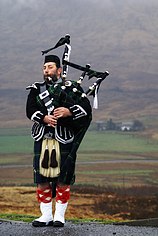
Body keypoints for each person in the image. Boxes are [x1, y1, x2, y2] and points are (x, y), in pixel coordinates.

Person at [26, 55, 92, 227]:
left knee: (63, 177)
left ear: (59, 70)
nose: (46, 70)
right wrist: (44, 118)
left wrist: (69, 111)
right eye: (44, 67)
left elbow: (86, 108)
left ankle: (59, 216)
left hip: (63, 137)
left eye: (50, 67)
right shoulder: (37, 89)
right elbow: (30, 109)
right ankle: (46, 215)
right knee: (41, 178)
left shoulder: (72, 88)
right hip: (42, 136)